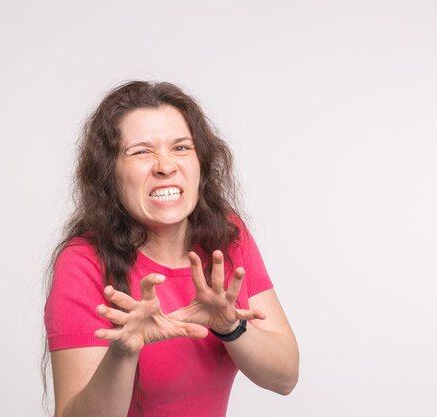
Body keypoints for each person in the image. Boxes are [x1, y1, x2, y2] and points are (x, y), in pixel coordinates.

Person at [43, 81, 299, 417]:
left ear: (201, 163)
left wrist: (230, 327)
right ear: (110, 175)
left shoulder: (227, 236)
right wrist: (123, 351)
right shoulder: (82, 262)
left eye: (180, 148)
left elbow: (285, 378)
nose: (165, 166)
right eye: (141, 152)